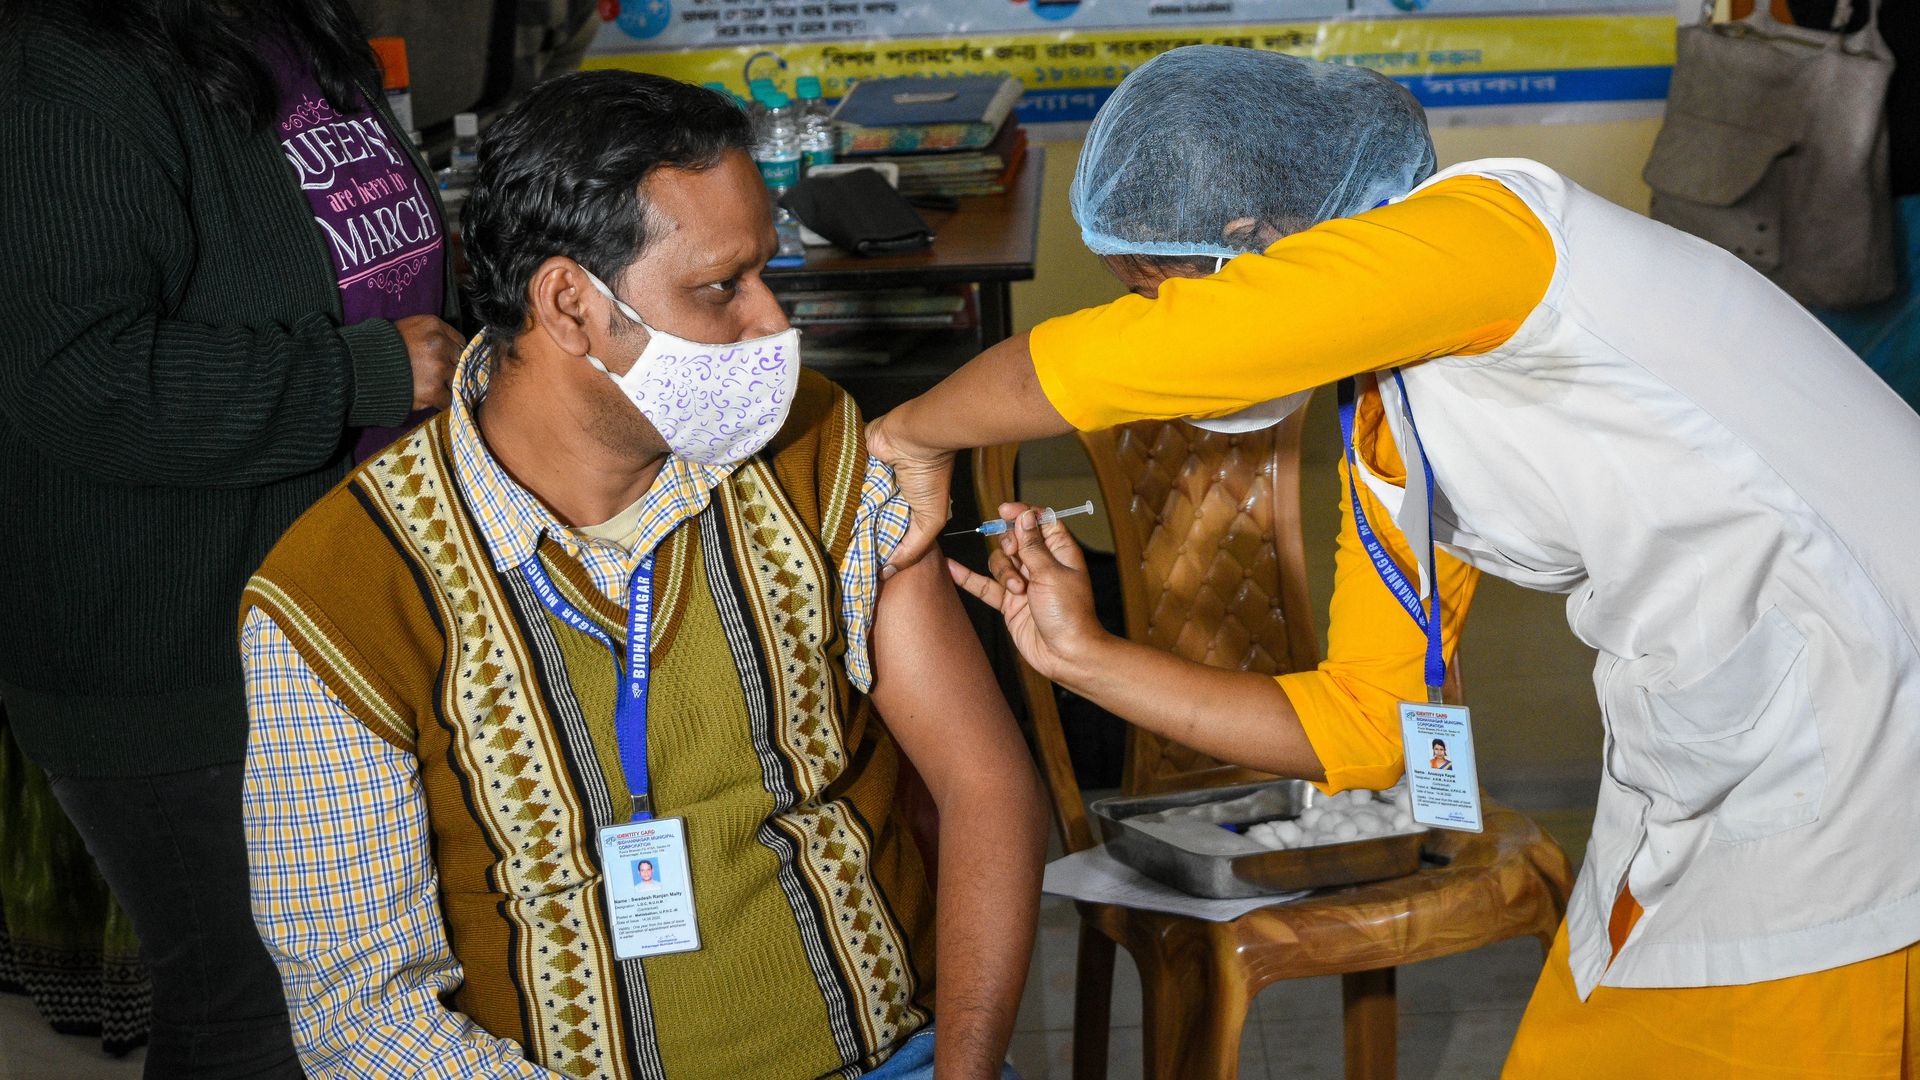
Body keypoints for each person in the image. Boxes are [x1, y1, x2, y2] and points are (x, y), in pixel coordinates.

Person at [865, 45, 1920, 1078]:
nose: (1169, 327)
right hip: (1742, 751)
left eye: (1169, 291)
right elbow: (1369, 728)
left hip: (1854, 743)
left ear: (1258, 240)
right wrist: (1084, 656)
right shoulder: (1391, 410)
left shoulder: (1491, 229)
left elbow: (1149, 358)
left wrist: (913, 435)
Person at [239, 71, 1045, 1080]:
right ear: (571, 305)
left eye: (766, 273)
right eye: (720, 289)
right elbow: (357, 1012)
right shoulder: (338, 594)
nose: (770, 325)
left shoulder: (815, 449)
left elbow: (984, 785)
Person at [0, 0, 462, 1074]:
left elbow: (364, 270)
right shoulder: (59, 64)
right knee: (247, 1015)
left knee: (364, 995)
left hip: (336, 613)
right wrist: (365, 373)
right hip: (174, 651)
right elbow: (77, 376)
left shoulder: (290, 27)